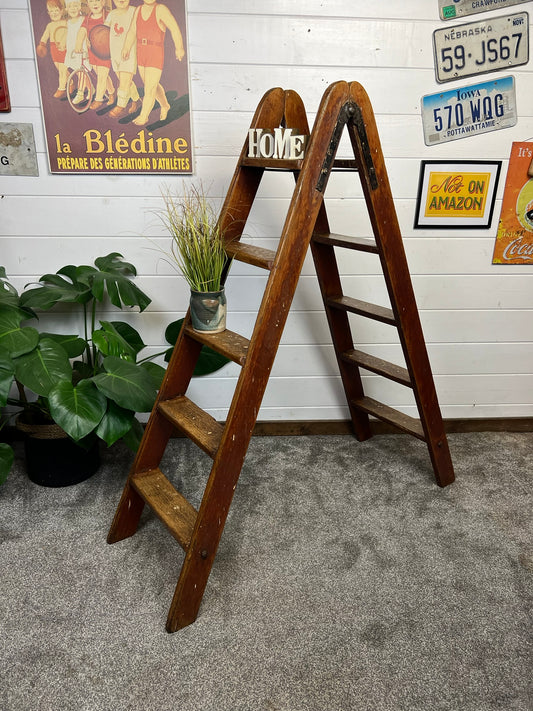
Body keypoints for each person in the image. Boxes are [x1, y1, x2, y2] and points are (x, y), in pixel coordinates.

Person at [121, 0, 185, 126]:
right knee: (151, 85)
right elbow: (132, 31)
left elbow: (174, 28)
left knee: (149, 88)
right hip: (141, 51)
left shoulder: (161, 9)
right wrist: (126, 47)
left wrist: (179, 47)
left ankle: (144, 116)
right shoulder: (138, 10)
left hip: (155, 52)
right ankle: (165, 105)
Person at [75, 0, 115, 110]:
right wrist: (78, 43)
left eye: (98, 0)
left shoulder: (108, 16)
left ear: (103, 2)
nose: (95, 4)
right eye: (91, 1)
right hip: (92, 52)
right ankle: (111, 92)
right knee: (102, 75)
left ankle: (98, 99)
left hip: (105, 52)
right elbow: (82, 31)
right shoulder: (87, 19)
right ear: (88, 4)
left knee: (102, 76)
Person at [105, 0, 140, 118]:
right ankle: (136, 100)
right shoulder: (112, 14)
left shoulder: (134, 11)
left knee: (124, 81)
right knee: (125, 81)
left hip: (129, 52)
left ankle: (120, 105)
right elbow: (103, 31)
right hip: (114, 54)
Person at [36, 0, 68, 99]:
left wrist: (65, 43)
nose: (54, 13)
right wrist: (42, 44)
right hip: (53, 49)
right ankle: (70, 83)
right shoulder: (50, 25)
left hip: (64, 48)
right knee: (60, 69)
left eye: (56, 10)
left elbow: (69, 34)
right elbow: (45, 36)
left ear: (62, 11)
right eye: (51, 11)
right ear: (48, 13)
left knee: (63, 70)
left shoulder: (66, 23)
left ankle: (61, 88)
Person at [64, 0, 90, 105]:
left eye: (76, 6)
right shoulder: (68, 22)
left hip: (81, 50)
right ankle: (90, 88)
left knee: (82, 71)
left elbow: (86, 33)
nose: (73, 9)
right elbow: (69, 36)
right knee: (79, 74)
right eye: (70, 7)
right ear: (67, 9)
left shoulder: (82, 20)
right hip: (72, 51)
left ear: (80, 7)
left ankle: (80, 94)